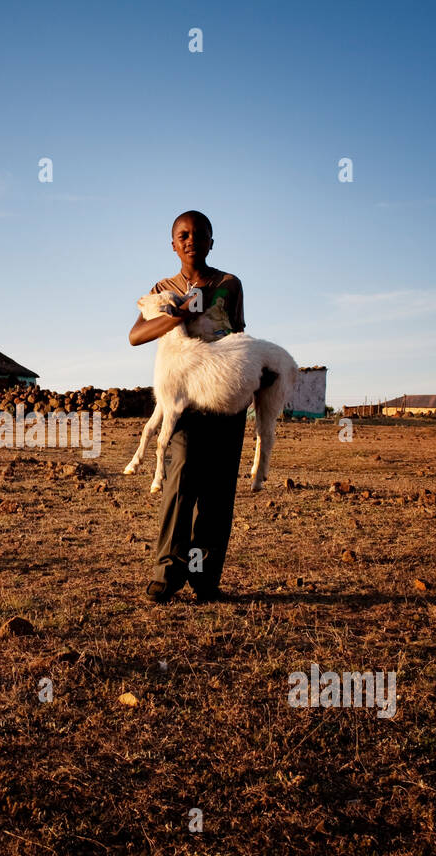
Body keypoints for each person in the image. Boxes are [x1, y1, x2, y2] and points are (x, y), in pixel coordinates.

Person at [127, 210, 247, 603]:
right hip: (184, 399)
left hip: (225, 396)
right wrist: (175, 314)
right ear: (174, 244)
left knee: (218, 492)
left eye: (199, 234)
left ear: (211, 242)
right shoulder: (164, 288)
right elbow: (136, 334)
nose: (191, 239)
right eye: (183, 234)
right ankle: (168, 575)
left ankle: (203, 578)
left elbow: (239, 335)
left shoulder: (229, 285)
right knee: (180, 484)